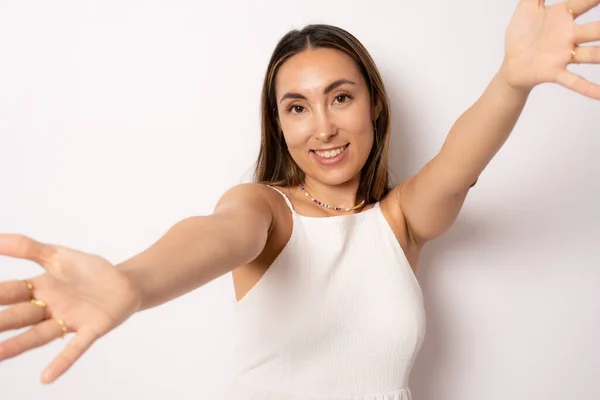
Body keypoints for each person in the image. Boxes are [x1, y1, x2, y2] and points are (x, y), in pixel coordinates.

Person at [0, 0, 599, 398]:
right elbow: (216, 234)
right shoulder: (264, 210)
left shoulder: (402, 221)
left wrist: (511, 79)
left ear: (375, 107)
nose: (323, 127)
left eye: (341, 98)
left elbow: (459, 167)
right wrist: (134, 282)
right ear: (279, 126)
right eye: (297, 107)